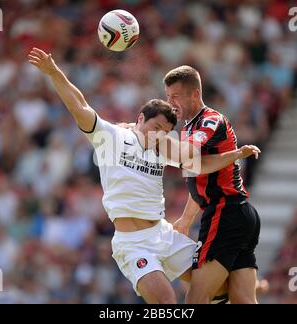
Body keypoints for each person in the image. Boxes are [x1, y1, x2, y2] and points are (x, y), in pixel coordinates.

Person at [28, 48, 260, 304]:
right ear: (140, 119)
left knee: (221, 288)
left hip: (163, 234)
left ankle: (253, 290)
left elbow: (201, 165)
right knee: (166, 301)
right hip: (134, 243)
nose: (159, 134)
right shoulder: (112, 137)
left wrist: (234, 155)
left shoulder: (163, 148)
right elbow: (79, 104)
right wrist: (53, 72)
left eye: (166, 131)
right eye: (156, 127)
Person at [164, 65, 261, 304]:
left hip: (224, 213)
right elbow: (198, 172)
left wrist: (150, 138)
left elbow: (188, 156)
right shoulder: (188, 126)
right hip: (239, 214)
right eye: (167, 97)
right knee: (243, 299)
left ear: (195, 94)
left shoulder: (210, 120)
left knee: (196, 298)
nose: (170, 103)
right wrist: (186, 219)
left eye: (175, 96)